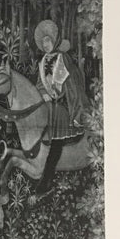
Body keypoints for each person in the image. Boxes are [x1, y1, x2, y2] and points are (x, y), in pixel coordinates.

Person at [34, 19, 89, 194]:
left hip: (61, 106)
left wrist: (59, 92)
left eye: (48, 41)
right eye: (43, 42)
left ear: (54, 41)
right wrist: (44, 93)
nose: (46, 45)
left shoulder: (62, 57)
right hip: (48, 106)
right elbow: (40, 84)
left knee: (56, 145)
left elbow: (71, 81)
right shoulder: (42, 61)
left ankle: (46, 181)